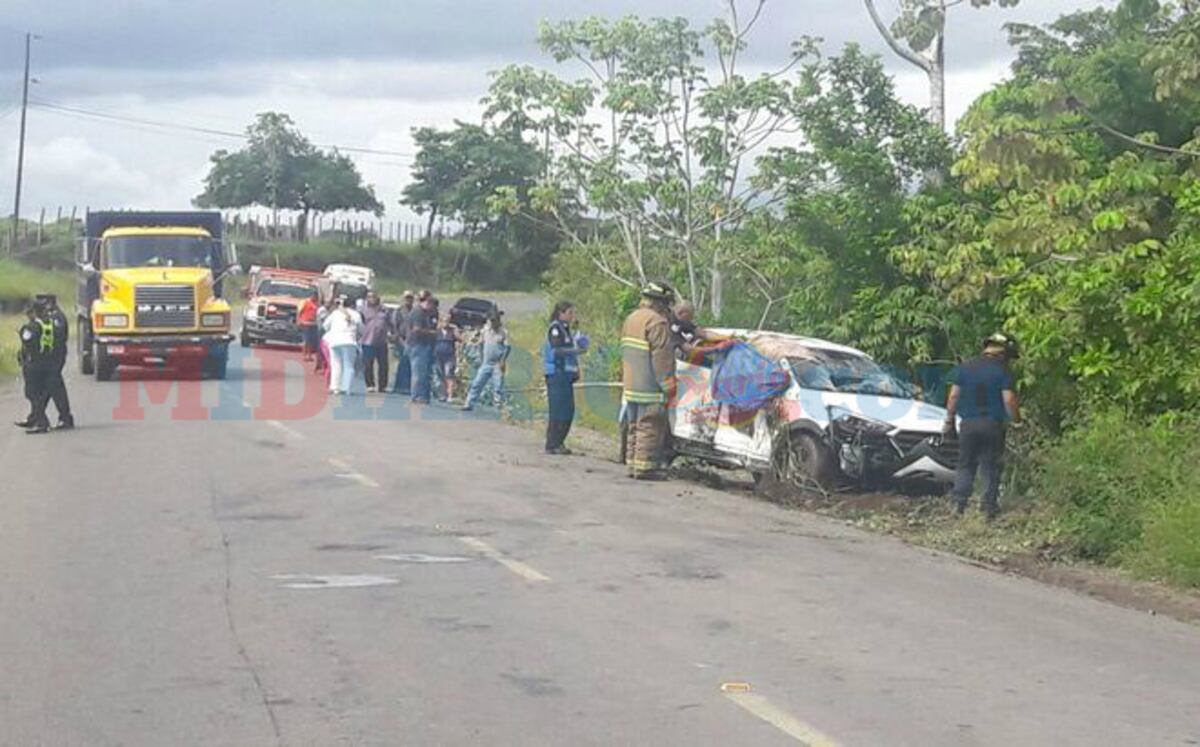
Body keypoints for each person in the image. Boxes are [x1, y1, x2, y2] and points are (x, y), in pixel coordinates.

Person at [943, 333, 1022, 519]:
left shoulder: (966, 367)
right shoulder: (1003, 371)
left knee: (965, 464)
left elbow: (953, 396)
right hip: (992, 425)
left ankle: (958, 504)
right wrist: (1017, 421)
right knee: (990, 465)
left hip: (968, 424)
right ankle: (988, 508)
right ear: (1003, 353)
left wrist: (949, 421)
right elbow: (1009, 400)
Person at [621, 282, 678, 479]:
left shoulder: (632, 318)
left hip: (631, 384)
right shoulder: (657, 323)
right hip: (650, 386)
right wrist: (668, 385)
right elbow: (662, 359)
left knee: (634, 426)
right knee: (649, 427)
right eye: (667, 304)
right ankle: (645, 468)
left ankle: (632, 465)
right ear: (660, 303)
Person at [542, 301, 585, 455]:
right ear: (561, 313)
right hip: (556, 374)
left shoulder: (566, 329)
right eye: (570, 313)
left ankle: (559, 442)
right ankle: (552, 443)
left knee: (568, 409)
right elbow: (557, 350)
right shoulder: (555, 329)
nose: (572, 316)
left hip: (566, 375)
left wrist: (576, 369)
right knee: (558, 410)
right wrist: (575, 350)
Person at [15, 302, 55, 435]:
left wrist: (21, 331)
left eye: (29, 313)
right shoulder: (48, 324)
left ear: (34, 313)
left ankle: (42, 423)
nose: (27, 316)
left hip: (33, 364)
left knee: (32, 394)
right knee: (39, 394)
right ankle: (35, 419)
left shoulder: (32, 327)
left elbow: (26, 340)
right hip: (46, 362)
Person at [35, 293, 74, 430]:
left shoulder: (57, 317)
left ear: (50, 303)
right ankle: (36, 416)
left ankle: (64, 418)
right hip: (48, 358)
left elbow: (58, 335)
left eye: (43, 303)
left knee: (54, 387)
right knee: (48, 387)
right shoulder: (47, 317)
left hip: (55, 357)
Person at [462, 311, 510, 411]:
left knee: (498, 386)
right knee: (477, 383)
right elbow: (480, 343)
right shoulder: (485, 331)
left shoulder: (503, 332)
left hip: (497, 363)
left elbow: (507, 348)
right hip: (486, 362)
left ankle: (499, 406)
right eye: (491, 321)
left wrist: (503, 361)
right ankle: (469, 403)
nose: (492, 323)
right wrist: (480, 356)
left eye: (494, 321)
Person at [322, 297, 363, 395]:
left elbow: (325, 326)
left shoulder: (335, 313)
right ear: (353, 305)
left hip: (335, 341)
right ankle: (346, 387)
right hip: (349, 341)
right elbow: (361, 329)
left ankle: (334, 387)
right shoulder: (356, 314)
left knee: (336, 364)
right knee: (348, 365)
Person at [407, 294, 438, 404]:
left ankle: (423, 395)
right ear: (427, 303)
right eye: (431, 305)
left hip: (425, 344)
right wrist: (431, 332)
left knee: (424, 372)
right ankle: (416, 395)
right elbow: (416, 329)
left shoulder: (427, 313)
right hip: (417, 344)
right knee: (418, 371)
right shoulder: (418, 312)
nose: (432, 309)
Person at [359, 291, 392, 393]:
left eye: (374, 296)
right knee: (368, 364)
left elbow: (390, 323)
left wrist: (391, 334)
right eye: (369, 297)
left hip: (382, 341)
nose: (372, 298)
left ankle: (383, 386)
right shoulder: (363, 310)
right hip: (367, 341)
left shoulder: (384, 310)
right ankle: (370, 385)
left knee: (383, 365)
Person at [390, 290, 416, 395]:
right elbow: (394, 326)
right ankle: (399, 386)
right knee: (402, 363)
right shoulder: (398, 311)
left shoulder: (415, 311)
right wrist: (399, 339)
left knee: (410, 364)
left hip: (413, 341)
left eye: (410, 298)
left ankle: (407, 386)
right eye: (406, 298)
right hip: (401, 340)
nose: (408, 300)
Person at [434, 314, 461, 402]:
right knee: (440, 375)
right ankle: (442, 394)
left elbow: (460, 340)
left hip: (449, 356)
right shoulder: (437, 331)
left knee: (449, 374)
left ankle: (450, 395)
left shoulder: (452, 331)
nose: (446, 323)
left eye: (447, 321)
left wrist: (456, 330)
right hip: (438, 356)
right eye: (444, 321)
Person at [298, 289, 320, 363]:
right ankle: (304, 355)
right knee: (306, 340)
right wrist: (299, 320)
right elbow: (300, 312)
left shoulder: (317, 304)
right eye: (314, 296)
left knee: (311, 341)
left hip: (313, 323)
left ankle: (309, 355)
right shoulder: (306, 302)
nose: (315, 298)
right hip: (305, 323)